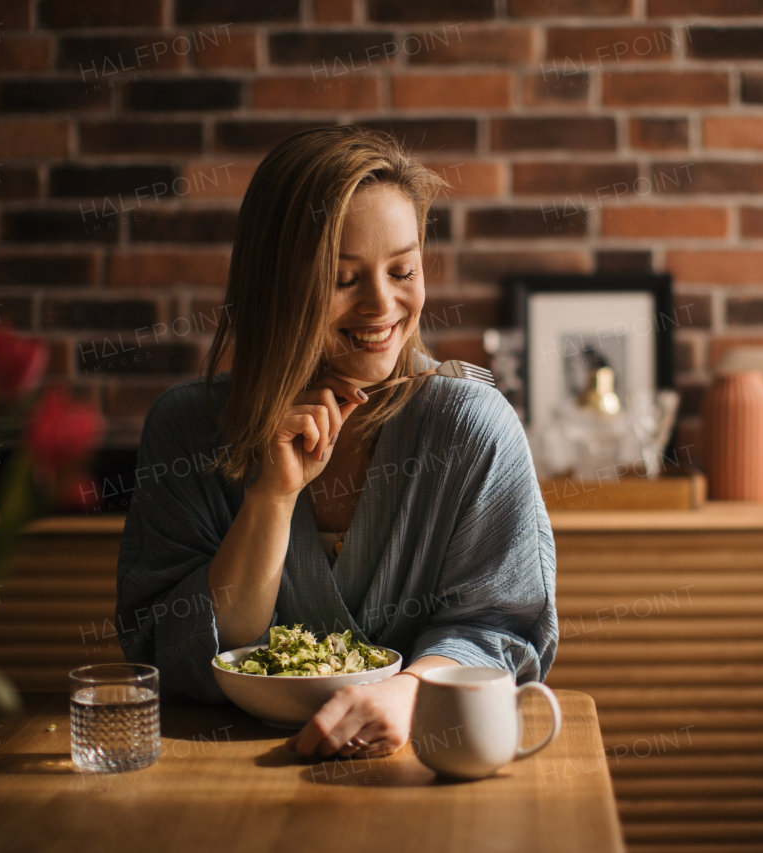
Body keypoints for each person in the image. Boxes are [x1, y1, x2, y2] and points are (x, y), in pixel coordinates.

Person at [115, 126, 557, 761]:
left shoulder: (471, 428)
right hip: (215, 775)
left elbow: (502, 631)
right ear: (276, 287)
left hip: (414, 775)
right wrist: (270, 498)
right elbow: (172, 654)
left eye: (403, 269)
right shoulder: (186, 429)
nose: (382, 304)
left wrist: (407, 692)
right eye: (344, 277)